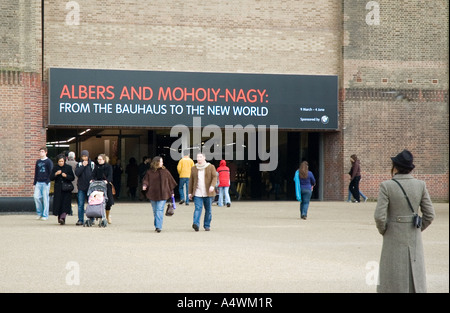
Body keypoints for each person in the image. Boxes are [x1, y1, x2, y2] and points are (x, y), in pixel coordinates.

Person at [374, 149, 435, 293]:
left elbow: (379, 216)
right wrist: (418, 227)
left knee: (392, 273)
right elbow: (430, 214)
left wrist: (384, 230)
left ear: (395, 167)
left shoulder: (386, 186)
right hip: (414, 235)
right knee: (415, 271)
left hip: (393, 234)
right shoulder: (421, 185)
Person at [142, 156, 177, 233]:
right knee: (155, 211)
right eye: (161, 161)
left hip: (163, 194)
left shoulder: (165, 172)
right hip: (153, 193)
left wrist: (172, 192)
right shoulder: (149, 172)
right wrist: (145, 185)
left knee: (159, 210)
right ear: (157, 162)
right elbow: (146, 180)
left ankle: (158, 226)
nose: (162, 163)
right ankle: (157, 224)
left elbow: (170, 183)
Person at [188, 152, 217, 231]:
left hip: (208, 193)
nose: (198, 159)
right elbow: (191, 181)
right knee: (198, 208)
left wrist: (212, 186)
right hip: (197, 192)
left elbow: (215, 177)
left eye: (200, 157)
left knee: (208, 210)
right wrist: (190, 192)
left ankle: (207, 225)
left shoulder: (211, 167)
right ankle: (196, 224)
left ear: (204, 158)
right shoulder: (194, 168)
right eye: (197, 157)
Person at [50, 154, 75, 225]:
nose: (61, 163)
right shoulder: (55, 168)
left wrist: (66, 176)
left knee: (65, 203)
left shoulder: (68, 168)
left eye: (62, 161)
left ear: (64, 161)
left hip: (66, 188)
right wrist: (56, 174)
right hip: (58, 189)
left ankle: (63, 217)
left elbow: (72, 178)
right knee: (59, 203)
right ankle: (60, 217)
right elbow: (51, 178)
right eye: (59, 161)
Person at [92, 154, 115, 224]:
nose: (99, 161)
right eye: (98, 159)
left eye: (100, 159)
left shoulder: (108, 167)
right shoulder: (96, 167)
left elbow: (110, 175)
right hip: (98, 185)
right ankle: (100, 215)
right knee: (98, 201)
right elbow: (93, 174)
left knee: (108, 203)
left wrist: (107, 181)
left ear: (104, 160)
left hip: (106, 186)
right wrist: (92, 179)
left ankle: (107, 216)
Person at [75, 150, 95, 225]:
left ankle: (91, 219)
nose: (84, 158)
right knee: (80, 204)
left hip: (90, 187)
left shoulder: (92, 164)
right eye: (83, 156)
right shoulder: (79, 164)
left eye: (85, 156)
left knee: (91, 203)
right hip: (81, 187)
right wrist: (83, 166)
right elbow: (77, 173)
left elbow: (94, 174)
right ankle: (80, 219)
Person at [33, 147, 53, 220]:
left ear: (46, 152)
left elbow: (51, 172)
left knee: (45, 199)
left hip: (45, 182)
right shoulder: (38, 162)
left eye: (42, 151)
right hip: (38, 182)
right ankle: (39, 213)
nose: (41, 153)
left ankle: (45, 215)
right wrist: (34, 183)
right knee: (36, 197)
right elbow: (36, 173)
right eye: (40, 151)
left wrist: (48, 181)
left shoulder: (49, 161)